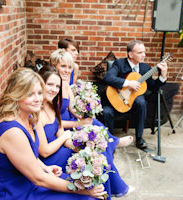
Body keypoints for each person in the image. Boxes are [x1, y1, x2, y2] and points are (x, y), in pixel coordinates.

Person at [0, 68, 106, 199]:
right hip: (15, 193)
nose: (38, 99)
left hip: (29, 182)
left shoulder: (28, 118)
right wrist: (83, 192)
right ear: (16, 95)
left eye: (39, 93)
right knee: (85, 195)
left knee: (88, 182)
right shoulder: (12, 131)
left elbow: (28, 155)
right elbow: (39, 179)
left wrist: (45, 167)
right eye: (30, 94)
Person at [37, 65, 133, 199]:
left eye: (57, 86)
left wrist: (80, 147)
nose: (54, 90)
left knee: (97, 158)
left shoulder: (53, 106)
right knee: (94, 167)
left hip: (59, 149)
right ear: (40, 84)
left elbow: (61, 134)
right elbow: (44, 151)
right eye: (50, 85)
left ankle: (108, 193)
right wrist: (66, 135)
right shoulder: (36, 113)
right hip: (50, 159)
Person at [50, 49, 133, 149]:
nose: (67, 71)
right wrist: (79, 123)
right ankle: (112, 143)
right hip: (60, 127)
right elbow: (52, 123)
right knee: (94, 140)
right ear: (54, 66)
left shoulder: (65, 83)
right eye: (63, 66)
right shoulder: (51, 90)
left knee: (93, 121)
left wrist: (86, 112)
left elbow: (72, 107)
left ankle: (113, 141)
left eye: (69, 67)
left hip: (70, 119)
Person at [102, 40, 168, 149]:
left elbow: (153, 87)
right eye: (140, 53)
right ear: (130, 54)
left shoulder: (145, 68)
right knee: (106, 112)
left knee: (141, 101)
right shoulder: (119, 64)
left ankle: (139, 139)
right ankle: (110, 142)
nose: (144, 55)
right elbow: (108, 77)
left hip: (134, 104)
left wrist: (163, 76)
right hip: (116, 99)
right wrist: (128, 83)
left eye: (144, 52)